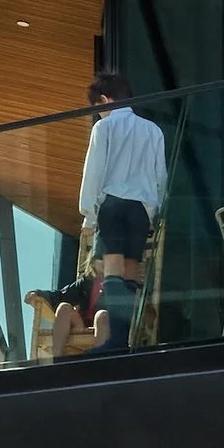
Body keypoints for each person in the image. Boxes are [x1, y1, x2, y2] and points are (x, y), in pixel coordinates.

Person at [53, 69, 166, 358]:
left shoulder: (104, 128)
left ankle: (115, 342)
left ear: (104, 101)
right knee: (129, 275)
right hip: (141, 210)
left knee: (113, 273)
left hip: (113, 205)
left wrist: (89, 215)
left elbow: (94, 173)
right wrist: (154, 213)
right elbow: (160, 177)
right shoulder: (153, 130)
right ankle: (122, 340)